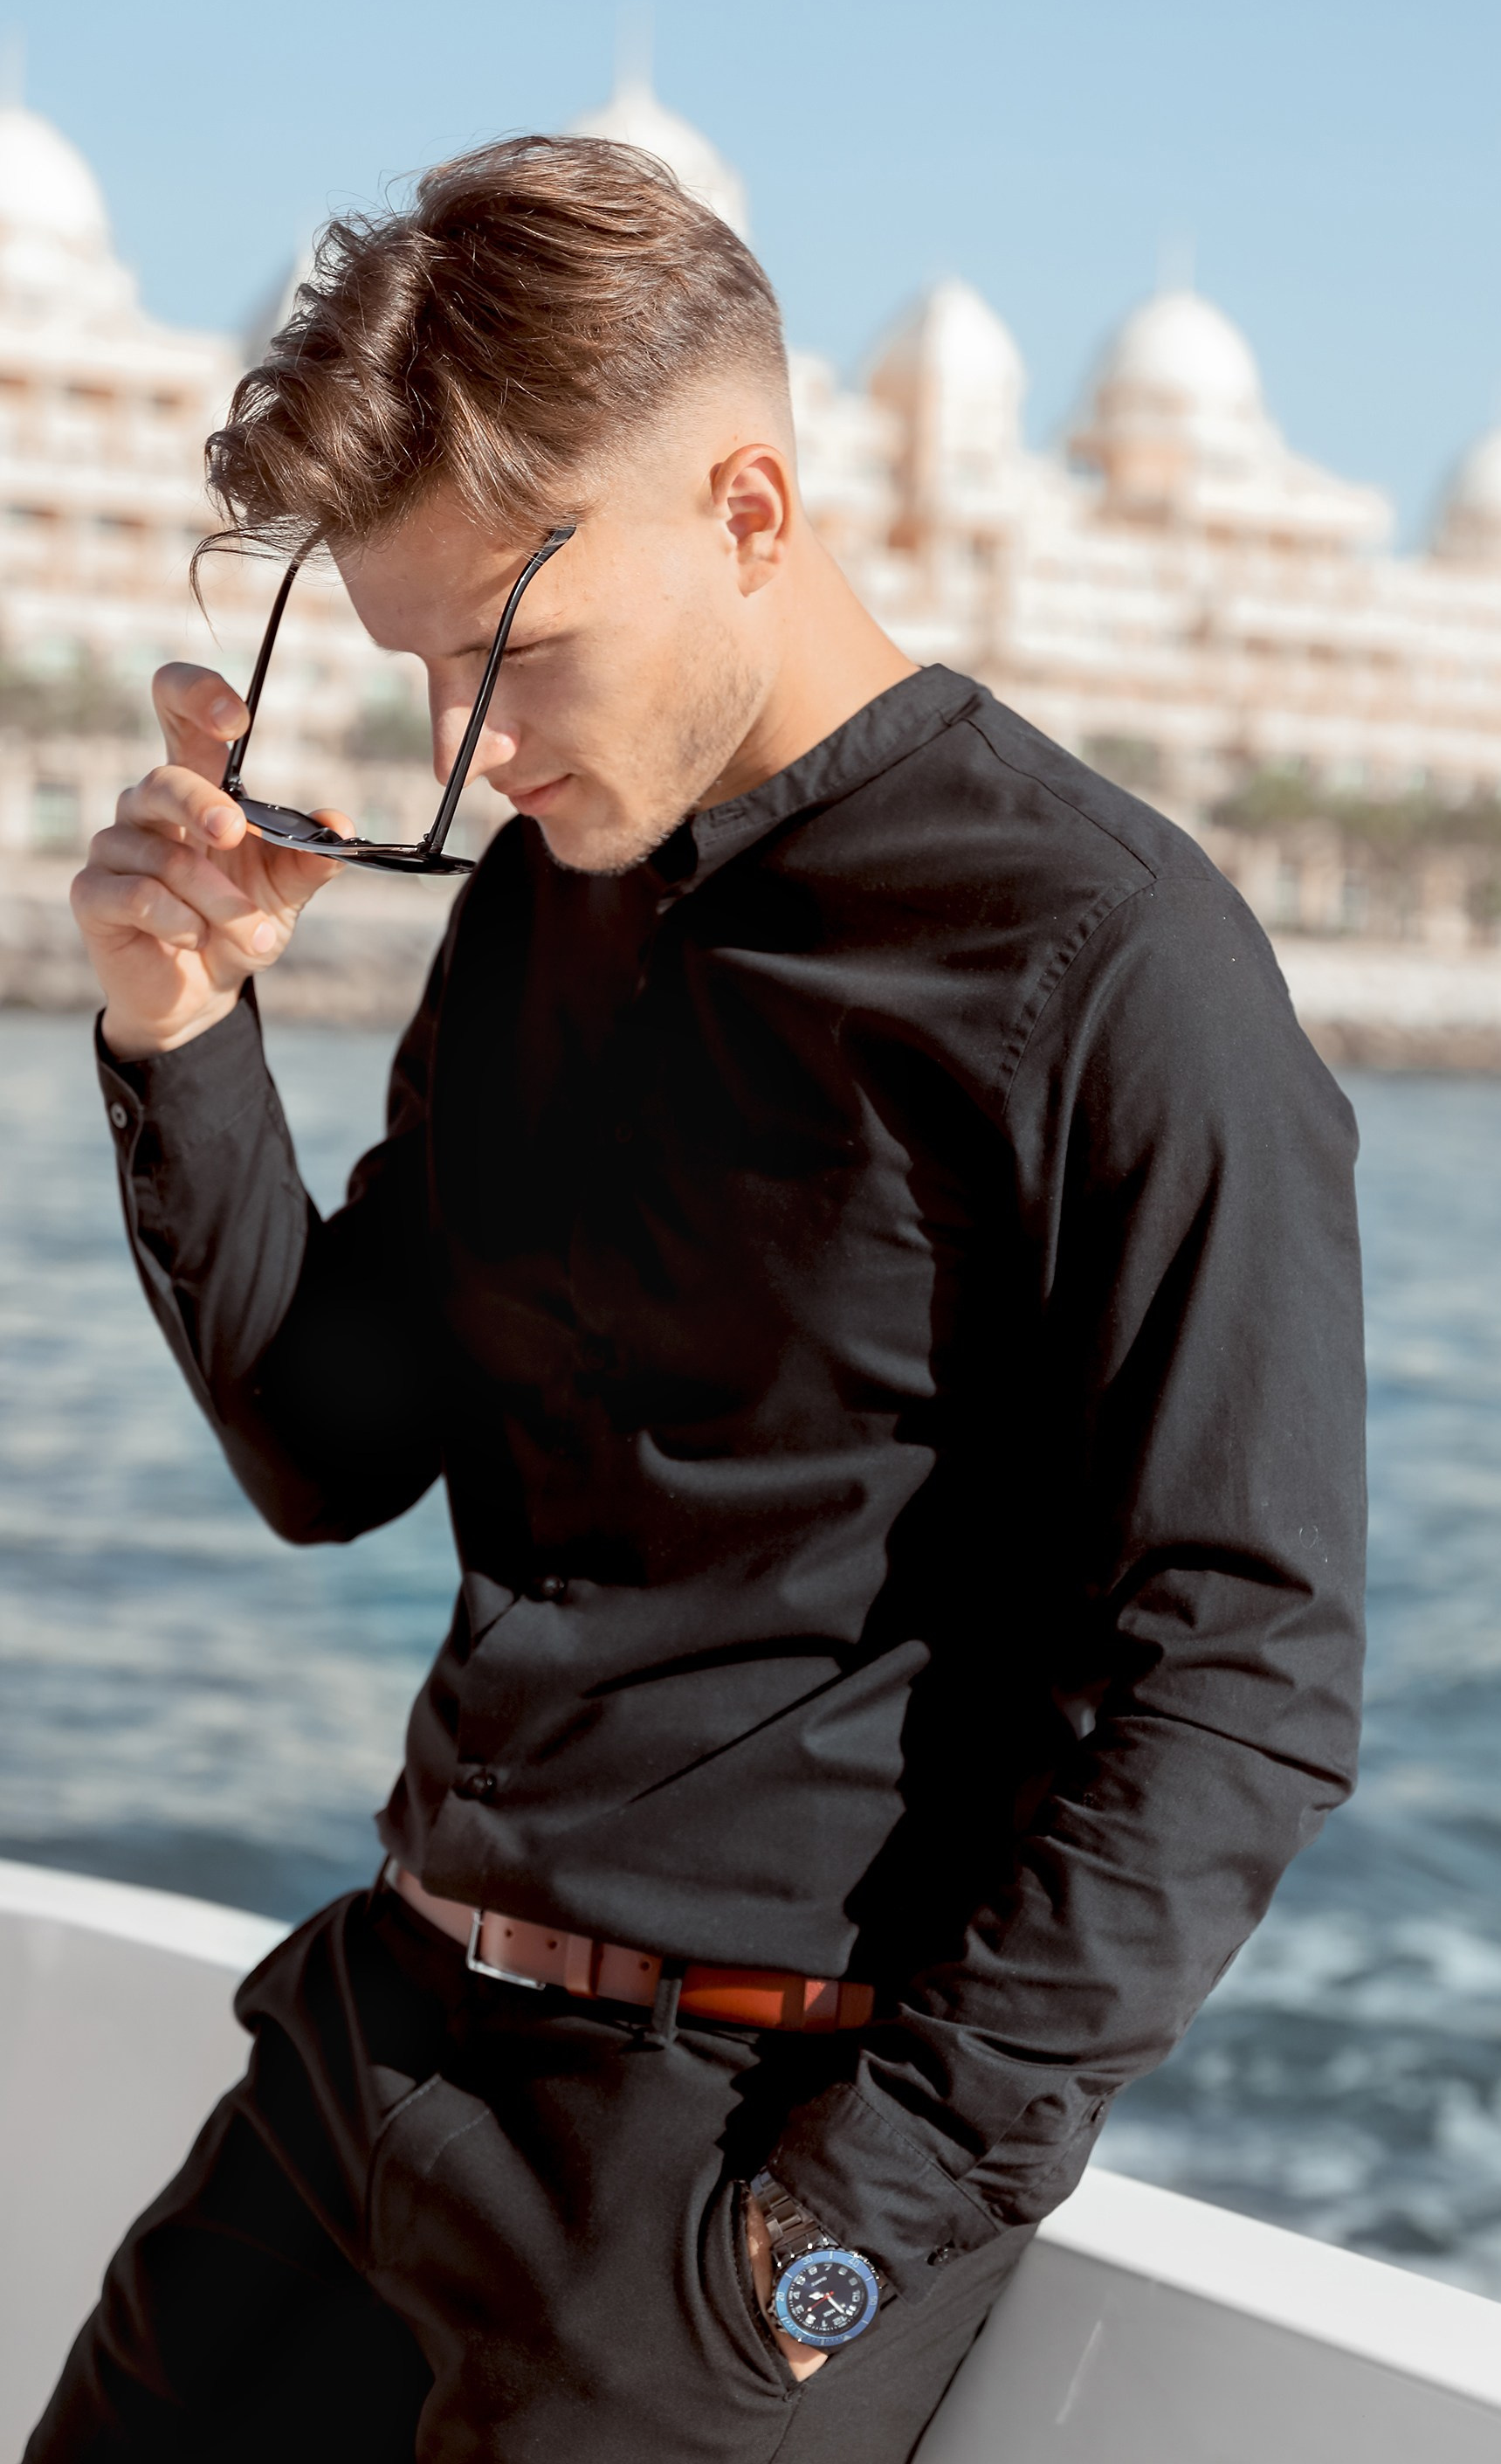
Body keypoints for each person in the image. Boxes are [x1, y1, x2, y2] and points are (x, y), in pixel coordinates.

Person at [32, 135, 1366, 2464]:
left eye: (516, 652)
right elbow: (329, 1446)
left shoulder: (1114, 965)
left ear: (750, 509)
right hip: (370, 2059)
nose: (476, 743)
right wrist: (182, 1034)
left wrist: (840, 2238)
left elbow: (1241, 1681)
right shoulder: (541, 904)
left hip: (724, 2187)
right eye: (430, 666)